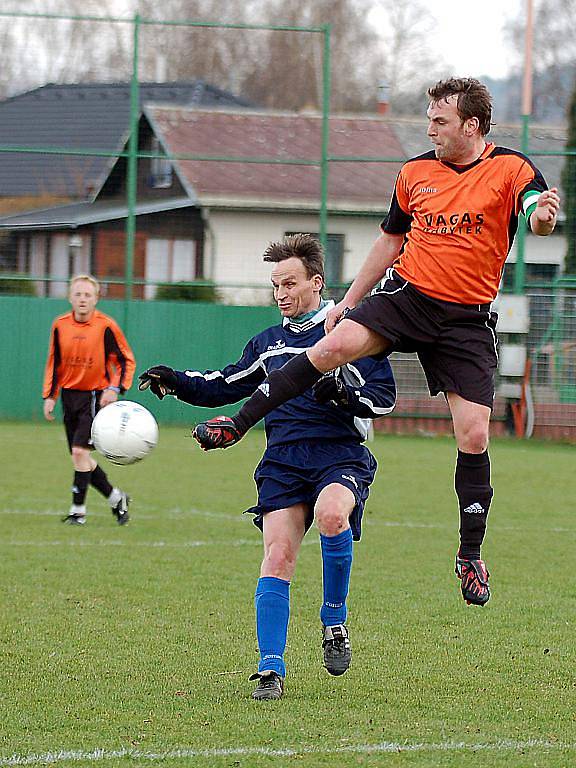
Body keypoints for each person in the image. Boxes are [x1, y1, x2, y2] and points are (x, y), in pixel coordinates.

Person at [192, 78, 561, 608]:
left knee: (475, 434)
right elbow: (391, 238)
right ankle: (238, 423)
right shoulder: (414, 172)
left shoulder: (513, 168)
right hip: (407, 295)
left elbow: (536, 216)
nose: (429, 127)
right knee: (331, 346)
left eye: (440, 120)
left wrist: (544, 217)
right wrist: (348, 299)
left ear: (472, 126)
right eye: (429, 117)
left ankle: (469, 555)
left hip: (466, 319)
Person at [138, 234, 396, 700]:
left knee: (333, 514)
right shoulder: (267, 343)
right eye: (275, 284)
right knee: (278, 556)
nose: (280, 293)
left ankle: (334, 620)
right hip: (282, 462)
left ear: (316, 283)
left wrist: (341, 392)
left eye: (290, 283)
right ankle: (270, 669)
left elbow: (382, 397)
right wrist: (176, 381)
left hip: (339, 452)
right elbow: (225, 384)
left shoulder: (352, 330)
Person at [43, 274, 136, 526]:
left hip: (95, 397)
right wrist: (50, 396)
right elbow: (55, 363)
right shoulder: (60, 325)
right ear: (70, 297)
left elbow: (126, 360)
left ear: (96, 299)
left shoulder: (105, 326)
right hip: (69, 396)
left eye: (88, 295)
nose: (82, 299)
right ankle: (117, 498)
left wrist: (115, 388)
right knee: (80, 458)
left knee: (79, 452)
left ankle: (78, 511)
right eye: (78, 294)